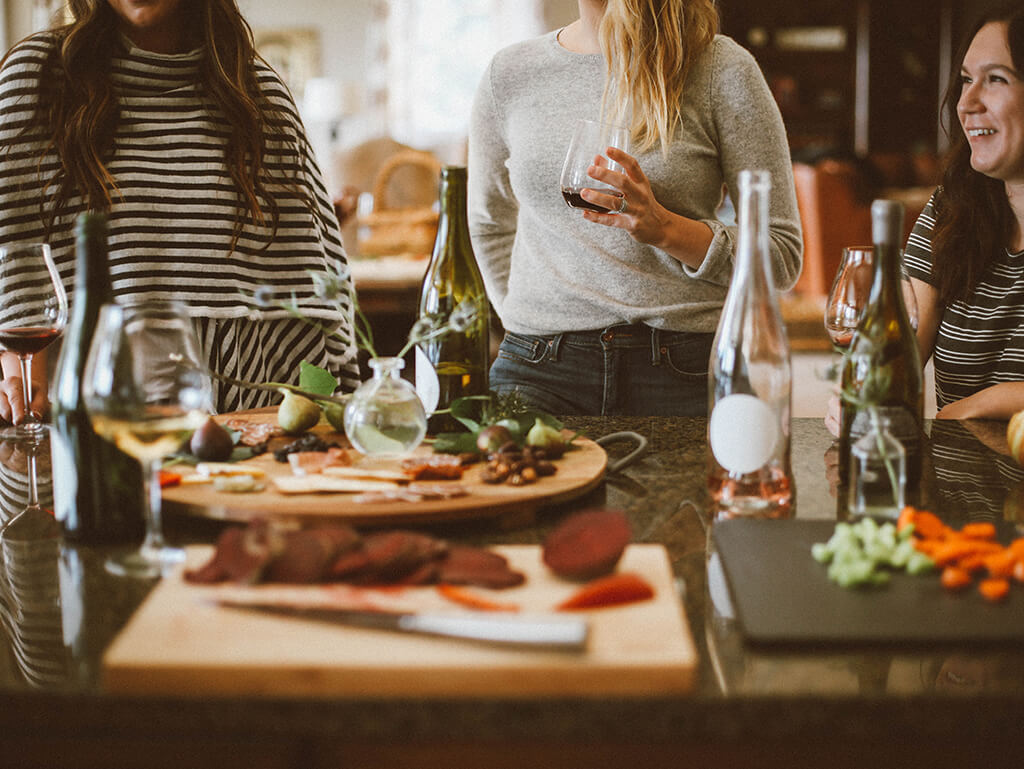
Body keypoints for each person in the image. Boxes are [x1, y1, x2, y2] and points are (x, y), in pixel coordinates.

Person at [0, 0, 359, 424]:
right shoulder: (38, 75)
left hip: (246, 405)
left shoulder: (258, 91)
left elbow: (318, 280)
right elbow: (11, 241)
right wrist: (15, 354)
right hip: (93, 408)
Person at [468, 0, 802, 416]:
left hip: (684, 367)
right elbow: (488, 225)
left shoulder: (720, 67)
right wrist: (526, 319)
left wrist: (666, 229)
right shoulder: (509, 73)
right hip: (537, 369)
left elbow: (781, 256)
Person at [824, 3, 1024, 436]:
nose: (966, 102)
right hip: (958, 497)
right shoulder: (953, 207)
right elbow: (902, 351)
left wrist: (990, 400)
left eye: (995, 79)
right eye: (967, 80)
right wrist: (867, 389)